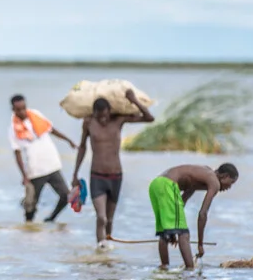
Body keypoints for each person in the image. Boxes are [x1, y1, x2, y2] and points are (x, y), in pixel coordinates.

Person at [72, 89, 154, 248]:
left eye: (105, 115)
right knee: (101, 217)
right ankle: (100, 247)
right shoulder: (89, 122)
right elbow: (82, 147)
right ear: (94, 113)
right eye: (99, 116)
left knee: (109, 219)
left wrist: (134, 100)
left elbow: (149, 118)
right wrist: (75, 173)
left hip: (116, 176)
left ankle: (106, 250)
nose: (102, 119)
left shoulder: (118, 120)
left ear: (110, 112)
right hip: (97, 176)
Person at [148, 164, 239, 269]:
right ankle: (189, 270)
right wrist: (200, 244)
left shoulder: (204, 173)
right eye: (231, 183)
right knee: (184, 234)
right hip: (168, 185)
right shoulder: (214, 182)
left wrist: (172, 229)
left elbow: (183, 199)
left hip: (156, 185)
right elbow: (202, 214)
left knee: (165, 233)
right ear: (225, 176)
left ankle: (164, 268)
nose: (229, 187)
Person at [9, 94, 77, 223]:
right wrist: (24, 175)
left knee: (65, 195)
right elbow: (17, 154)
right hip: (36, 170)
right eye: (18, 109)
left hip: (52, 165)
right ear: (13, 110)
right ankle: (28, 228)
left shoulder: (35, 114)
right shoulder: (13, 129)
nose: (22, 111)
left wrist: (68, 140)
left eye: (24, 108)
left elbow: (51, 129)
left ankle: (50, 219)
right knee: (31, 205)